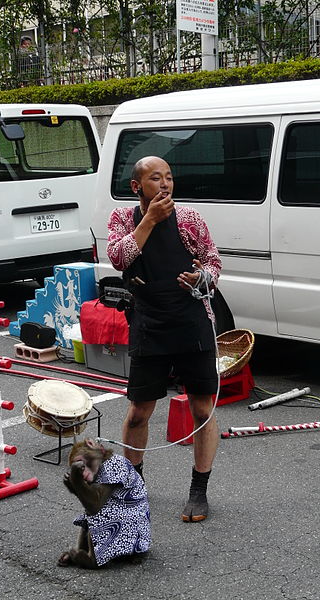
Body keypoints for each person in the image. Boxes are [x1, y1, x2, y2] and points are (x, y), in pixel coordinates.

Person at [107, 156, 222, 522]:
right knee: (139, 411)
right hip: (149, 322)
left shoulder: (190, 219)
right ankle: (132, 486)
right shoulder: (122, 219)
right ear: (137, 187)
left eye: (170, 177)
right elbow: (118, 258)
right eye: (156, 178)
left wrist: (201, 278)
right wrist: (150, 221)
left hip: (191, 320)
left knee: (202, 410)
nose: (166, 185)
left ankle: (198, 490)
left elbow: (213, 261)